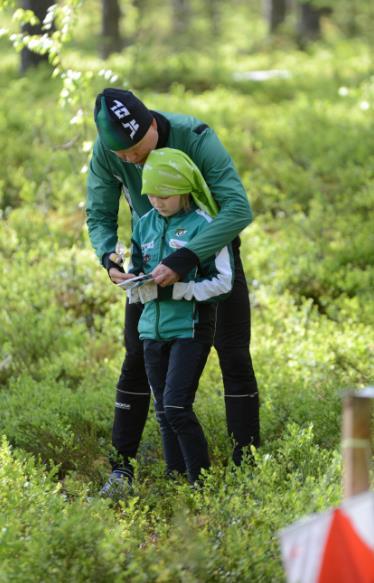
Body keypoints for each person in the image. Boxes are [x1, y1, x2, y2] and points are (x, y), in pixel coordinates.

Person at [86, 88, 260, 493]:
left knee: (232, 353)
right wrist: (108, 257)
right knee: (137, 355)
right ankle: (122, 468)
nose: (131, 159)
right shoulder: (108, 152)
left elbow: (238, 208)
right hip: (151, 262)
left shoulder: (195, 137)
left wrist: (187, 258)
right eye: (122, 155)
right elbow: (98, 211)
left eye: (136, 149)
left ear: (150, 123)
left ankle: (247, 466)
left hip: (211, 255)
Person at [124, 147, 233, 485]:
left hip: (190, 329)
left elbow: (224, 281)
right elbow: (136, 270)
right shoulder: (144, 225)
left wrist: (183, 289)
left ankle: (201, 483)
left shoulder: (205, 226)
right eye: (152, 194)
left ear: (185, 188)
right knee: (162, 412)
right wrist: (131, 283)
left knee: (176, 408)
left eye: (166, 195)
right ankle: (175, 481)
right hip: (151, 330)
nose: (158, 201)